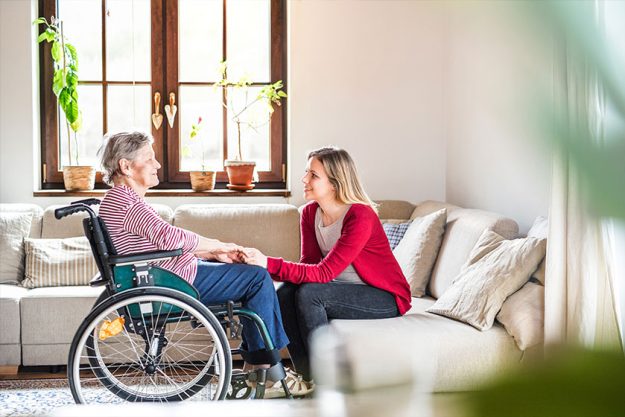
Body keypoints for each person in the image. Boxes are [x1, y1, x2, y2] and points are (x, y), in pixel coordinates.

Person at [96, 131, 289, 372]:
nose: (157, 165)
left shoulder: (119, 200)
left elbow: (158, 247)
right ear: (126, 166)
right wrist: (219, 244)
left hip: (165, 274)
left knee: (245, 272)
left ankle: (256, 366)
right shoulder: (127, 204)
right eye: (149, 159)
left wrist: (211, 254)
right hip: (171, 282)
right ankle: (266, 367)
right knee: (258, 278)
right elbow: (170, 238)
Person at [243, 146, 412, 394]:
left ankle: (325, 380)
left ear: (334, 183)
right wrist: (264, 267)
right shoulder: (309, 213)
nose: (304, 180)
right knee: (286, 292)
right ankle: (307, 375)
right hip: (340, 289)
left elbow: (323, 274)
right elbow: (309, 266)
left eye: (313, 175)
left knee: (311, 294)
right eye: (306, 173)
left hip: (383, 296)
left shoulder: (360, 216)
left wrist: (267, 263)